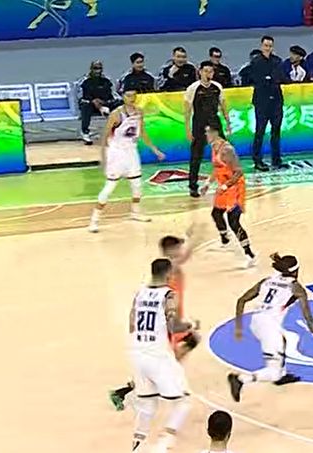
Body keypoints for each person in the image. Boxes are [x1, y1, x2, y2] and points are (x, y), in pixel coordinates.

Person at [109, 233, 201, 411]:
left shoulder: (166, 270)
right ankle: (124, 391)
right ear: (170, 251)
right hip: (165, 327)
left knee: (190, 341)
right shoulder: (169, 270)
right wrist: (196, 238)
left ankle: (136, 387)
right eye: (177, 248)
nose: (181, 251)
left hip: (170, 322)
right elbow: (182, 259)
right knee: (173, 355)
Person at [227, 253, 313, 402]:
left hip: (256, 321)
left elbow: (241, 300)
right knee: (273, 372)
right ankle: (241, 379)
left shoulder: (266, 281)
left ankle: (282, 374)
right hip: (268, 326)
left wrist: (238, 327)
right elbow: (308, 319)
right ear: (296, 270)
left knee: (285, 339)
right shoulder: (296, 288)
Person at [128, 259, 192, 453]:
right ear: (168, 274)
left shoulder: (139, 293)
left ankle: (137, 448)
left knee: (147, 407)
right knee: (183, 403)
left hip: (137, 353)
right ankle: (162, 447)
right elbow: (173, 327)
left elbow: (131, 325)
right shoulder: (168, 295)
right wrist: (189, 326)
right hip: (157, 355)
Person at [88, 90, 165, 233]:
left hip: (131, 152)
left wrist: (155, 150)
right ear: (123, 97)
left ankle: (135, 212)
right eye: (128, 96)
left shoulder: (139, 112)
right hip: (116, 153)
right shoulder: (116, 114)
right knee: (110, 187)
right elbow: (105, 136)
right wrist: (103, 157)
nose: (132, 98)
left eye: (134, 95)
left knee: (137, 185)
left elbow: (142, 133)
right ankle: (94, 220)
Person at [201, 123, 257, 268]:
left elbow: (238, 172)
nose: (206, 135)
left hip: (235, 187)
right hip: (224, 186)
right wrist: (207, 183)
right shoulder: (214, 147)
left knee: (233, 222)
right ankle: (225, 239)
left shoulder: (227, 149)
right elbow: (217, 169)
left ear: (216, 132)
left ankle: (249, 254)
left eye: (208, 132)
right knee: (216, 213)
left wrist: (226, 186)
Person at [184, 61, 231, 198]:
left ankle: (226, 181)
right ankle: (193, 186)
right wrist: (187, 129)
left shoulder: (217, 87)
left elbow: (223, 105)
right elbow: (187, 111)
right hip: (199, 123)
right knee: (196, 155)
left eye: (210, 71)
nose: (208, 74)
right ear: (200, 72)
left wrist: (228, 122)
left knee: (224, 152)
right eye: (205, 71)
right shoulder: (193, 88)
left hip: (214, 122)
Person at [241, 36, 286, 171]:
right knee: (260, 131)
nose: (268, 48)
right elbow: (252, 78)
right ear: (261, 46)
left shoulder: (277, 61)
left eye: (270, 46)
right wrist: (266, 79)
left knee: (276, 131)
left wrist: (270, 79)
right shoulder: (256, 62)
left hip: (276, 101)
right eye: (266, 46)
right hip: (262, 101)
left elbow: (279, 77)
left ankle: (276, 160)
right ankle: (257, 160)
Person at [76, 60, 122, 145]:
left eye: (99, 68)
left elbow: (114, 95)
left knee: (120, 105)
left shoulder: (107, 80)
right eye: (95, 68)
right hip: (90, 104)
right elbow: (80, 97)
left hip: (105, 103)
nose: (97, 71)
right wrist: (93, 101)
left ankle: (117, 131)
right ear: (91, 69)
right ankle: (85, 132)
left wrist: (105, 103)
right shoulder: (84, 81)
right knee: (85, 106)